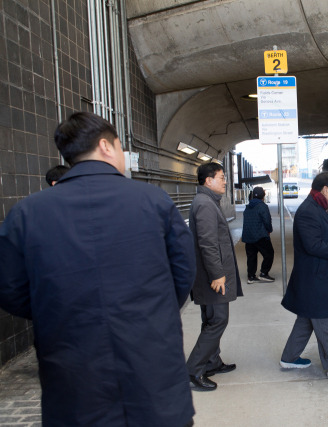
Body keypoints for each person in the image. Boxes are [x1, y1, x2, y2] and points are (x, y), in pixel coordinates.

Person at [0, 112, 197, 426]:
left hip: (72, 370)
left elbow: (10, 289)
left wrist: (55, 310)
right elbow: (183, 271)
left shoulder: (26, 213)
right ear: (107, 146)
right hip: (151, 362)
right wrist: (152, 310)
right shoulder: (154, 201)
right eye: (121, 147)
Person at [279, 171, 328, 383]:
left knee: (306, 320)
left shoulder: (321, 208)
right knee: (326, 323)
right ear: (325, 190)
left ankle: (289, 357)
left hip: (316, 278)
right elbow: (312, 245)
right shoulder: (308, 211)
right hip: (316, 280)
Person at [186, 161, 243, 391]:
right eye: (221, 177)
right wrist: (218, 274)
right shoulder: (206, 204)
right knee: (218, 320)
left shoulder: (208, 201)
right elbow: (208, 243)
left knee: (211, 319)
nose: (225, 181)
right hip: (212, 278)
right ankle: (193, 371)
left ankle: (212, 362)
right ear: (208, 180)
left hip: (210, 276)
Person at [242, 186, 275, 283]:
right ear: (263, 196)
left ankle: (251, 276)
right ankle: (264, 273)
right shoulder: (263, 206)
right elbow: (267, 221)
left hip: (248, 236)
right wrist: (269, 230)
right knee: (269, 254)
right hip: (260, 235)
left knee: (251, 256)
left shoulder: (247, 207)